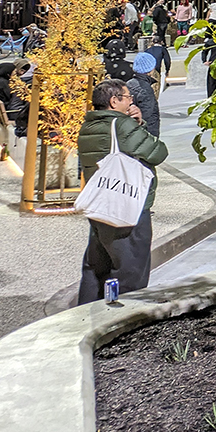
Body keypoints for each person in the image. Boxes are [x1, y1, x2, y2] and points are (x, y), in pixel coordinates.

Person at [76, 79, 169, 304]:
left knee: (96, 266)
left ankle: (84, 314)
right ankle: (125, 318)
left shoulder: (88, 125)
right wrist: (137, 125)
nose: (131, 101)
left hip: (101, 204)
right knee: (131, 269)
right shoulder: (122, 126)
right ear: (114, 100)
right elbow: (157, 152)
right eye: (127, 97)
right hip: (128, 207)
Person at [0, 60, 30, 138]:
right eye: (14, 72)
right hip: (12, 112)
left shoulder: (0, 82)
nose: (17, 74)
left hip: (8, 111)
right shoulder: (5, 84)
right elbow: (13, 101)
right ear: (8, 74)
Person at [125, 52, 161, 137]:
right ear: (151, 69)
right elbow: (147, 115)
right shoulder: (146, 89)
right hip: (147, 132)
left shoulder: (128, 84)